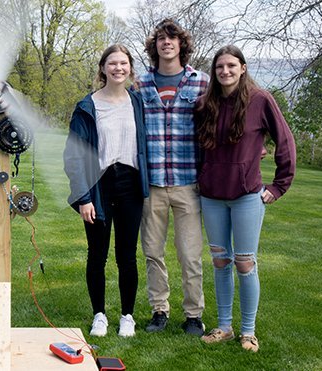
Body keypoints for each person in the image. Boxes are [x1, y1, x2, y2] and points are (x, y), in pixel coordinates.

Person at [195, 45, 296, 352]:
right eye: (219, 67)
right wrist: (202, 176)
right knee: (220, 261)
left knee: (244, 263)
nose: (225, 71)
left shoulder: (260, 100)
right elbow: (198, 148)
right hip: (212, 196)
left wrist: (279, 186)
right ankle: (224, 327)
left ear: (242, 68)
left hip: (247, 196)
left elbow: (285, 141)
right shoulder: (204, 104)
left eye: (231, 66)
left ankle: (248, 331)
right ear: (214, 72)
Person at [64, 45, 149, 337]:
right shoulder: (87, 106)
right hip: (98, 185)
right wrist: (84, 198)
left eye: (123, 63)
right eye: (112, 63)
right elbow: (74, 156)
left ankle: (127, 316)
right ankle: (99, 315)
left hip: (130, 185)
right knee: (96, 254)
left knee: (127, 255)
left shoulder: (137, 102)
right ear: (103, 68)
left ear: (130, 68)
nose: (118, 68)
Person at [138, 18, 209, 336]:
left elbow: (225, 119)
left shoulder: (201, 83)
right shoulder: (139, 86)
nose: (166, 43)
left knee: (190, 255)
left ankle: (194, 315)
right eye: (161, 39)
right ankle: (159, 311)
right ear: (155, 47)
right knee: (153, 251)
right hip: (151, 184)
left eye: (172, 38)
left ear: (182, 44)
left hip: (188, 184)